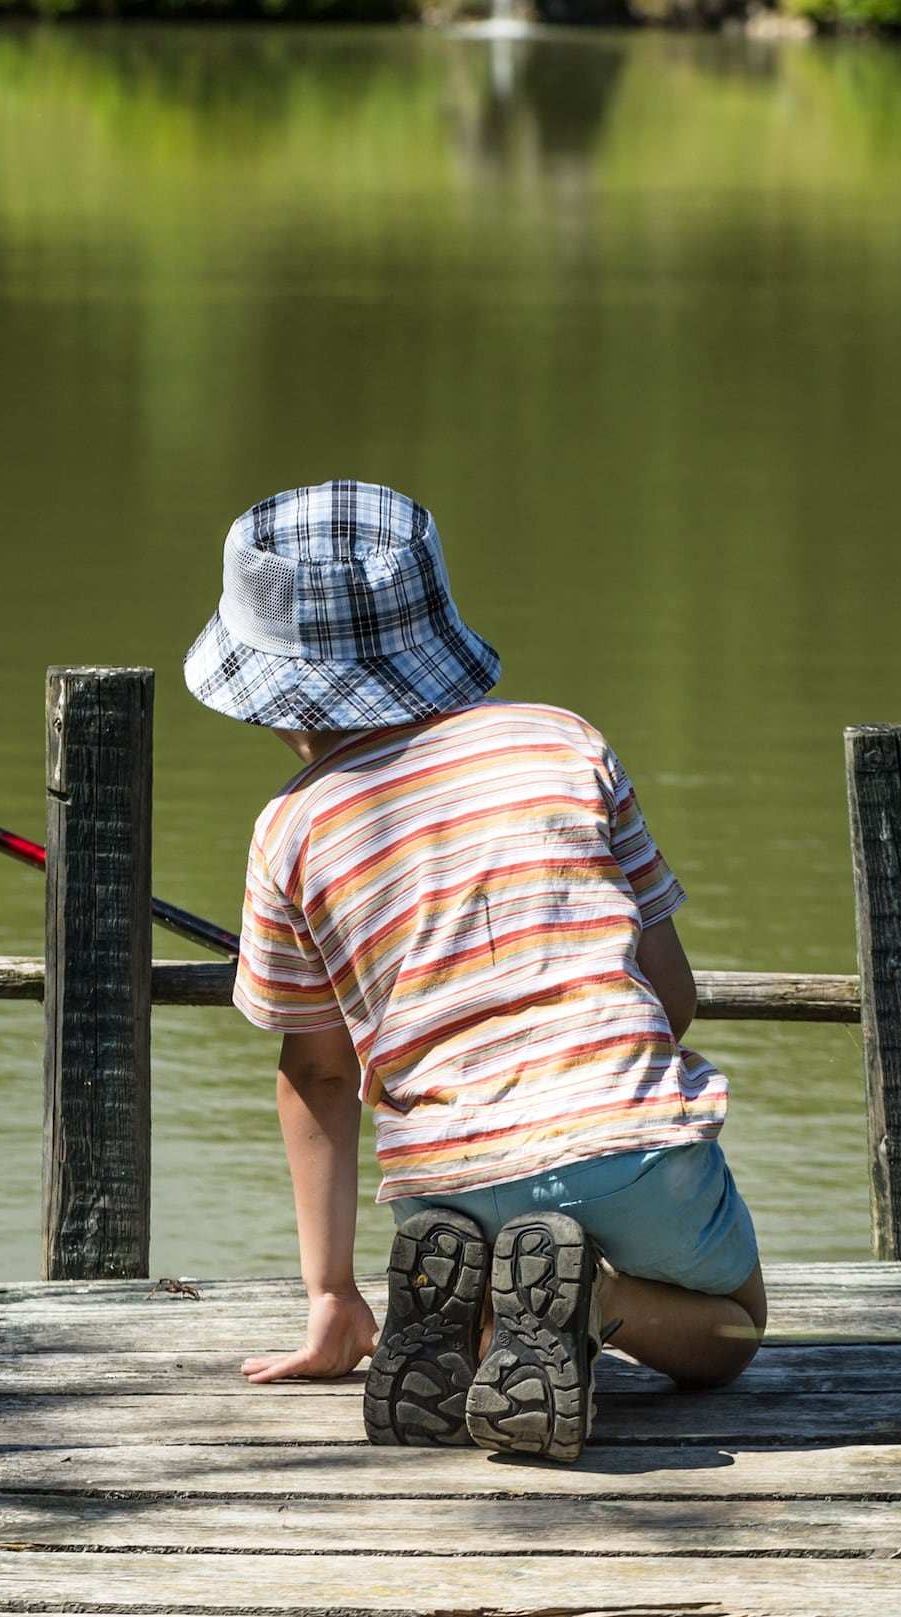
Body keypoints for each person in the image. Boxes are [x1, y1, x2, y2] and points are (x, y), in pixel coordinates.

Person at [183, 480, 767, 1462]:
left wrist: (330, 1294)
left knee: (497, 1297)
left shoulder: (289, 830)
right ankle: (598, 1300)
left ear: (272, 699)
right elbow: (673, 997)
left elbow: (318, 1074)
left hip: (444, 1170)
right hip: (625, 1130)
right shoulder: (563, 740)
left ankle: (485, 1310)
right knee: (732, 1331)